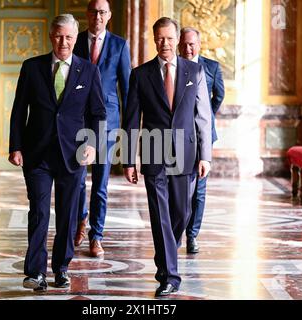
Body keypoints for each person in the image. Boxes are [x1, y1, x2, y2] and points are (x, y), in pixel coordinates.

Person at [9, 14, 106, 292]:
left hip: (74, 154)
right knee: (39, 211)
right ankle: (35, 272)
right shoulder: (32, 67)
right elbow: (19, 111)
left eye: (69, 37)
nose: (63, 42)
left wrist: (92, 144)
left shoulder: (88, 71)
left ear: (76, 39)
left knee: (67, 213)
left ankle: (61, 267)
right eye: (58, 36)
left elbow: (99, 113)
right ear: (51, 36)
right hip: (37, 154)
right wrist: (15, 146)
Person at [122, 17, 212, 297]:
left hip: (186, 153)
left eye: (170, 38)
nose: (165, 44)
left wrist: (205, 155)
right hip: (153, 152)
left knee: (182, 213)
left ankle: (165, 257)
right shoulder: (140, 74)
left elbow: (203, 117)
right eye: (160, 38)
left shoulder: (194, 71)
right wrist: (128, 159)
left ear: (177, 39)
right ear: (154, 39)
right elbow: (131, 119)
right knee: (160, 214)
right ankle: (170, 275)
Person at [73, 0, 131, 257]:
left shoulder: (120, 45)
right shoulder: (73, 41)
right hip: (76, 121)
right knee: (76, 179)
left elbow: (127, 89)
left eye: (102, 12)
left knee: (100, 183)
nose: (97, 16)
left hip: (107, 122)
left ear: (109, 16)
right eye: (93, 11)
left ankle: (96, 236)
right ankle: (80, 220)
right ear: (87, 14)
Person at [178, 27, 225, 254]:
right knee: (177, 186)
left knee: (200, 188)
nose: (188, 49)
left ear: (199, 44)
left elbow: (219, 95)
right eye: (184, 44)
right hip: (179, 135)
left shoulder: (211, 67)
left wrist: (206, 117)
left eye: (192, 44)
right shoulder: (174, 66)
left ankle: (192, 235)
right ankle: (177, 231)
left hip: (203, 135)